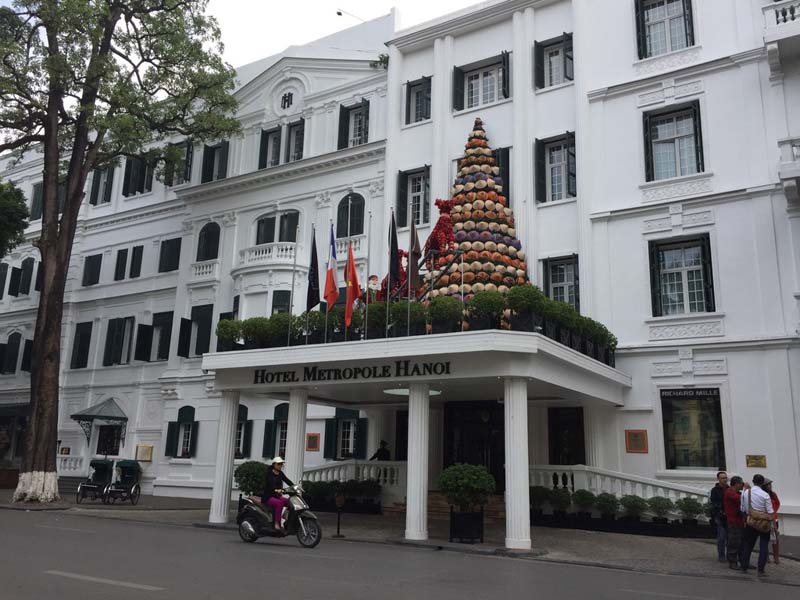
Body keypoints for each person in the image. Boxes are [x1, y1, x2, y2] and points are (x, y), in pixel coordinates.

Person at [740, 474, 775, 575]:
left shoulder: (746, 492)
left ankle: (744, 566)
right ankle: (760, 570)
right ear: (762, 482)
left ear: (753, 481)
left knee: (748, 545)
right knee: (763, 546)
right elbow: (770, 511)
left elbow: (742, 508)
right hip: (763, 523)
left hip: (751, 521)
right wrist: (772, 525)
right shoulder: (765, 495)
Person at [261, 457, 294, 532]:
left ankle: (285, 516)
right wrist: (276, 490)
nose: (280, 465)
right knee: (280, 503)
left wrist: (295, 487)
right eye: (278, 464)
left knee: (290, 502)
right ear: (274, 464)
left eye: (281, 464)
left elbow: (287, 480)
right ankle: (277, 523)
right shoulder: (269, 473)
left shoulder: (280, 473)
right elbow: (270, 485)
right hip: (268, 496)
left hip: (277, 496)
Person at [724, 476, 746, 569]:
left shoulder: (737, 493)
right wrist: (747, 490)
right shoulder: (730, 493)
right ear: (736, 484)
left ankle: (743, 561)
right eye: (741, 483)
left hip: (739, 521)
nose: (742, 485)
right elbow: (742, 499)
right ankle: (732, 562)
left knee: (741, 543)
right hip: (733, 521)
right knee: (734, 542)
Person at [709, 471, 728, 562]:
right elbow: (714, 503)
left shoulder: (729, 488)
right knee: (721, 536)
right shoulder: (714, 490)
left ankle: (730, 555)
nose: (724, 479)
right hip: (720, 516)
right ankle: (721, 555)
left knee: (730, 537)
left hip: (729, 515)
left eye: (725, 478)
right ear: (718, 479)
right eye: (722, 478)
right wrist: (720, 512)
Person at [763, 479, 780, 565]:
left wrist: (774, 512)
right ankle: (766, 556)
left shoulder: (773, 494)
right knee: (765, 539)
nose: (770, 486)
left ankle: (776, 557)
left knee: (775, 539)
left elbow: (777, 503)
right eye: (768, 484)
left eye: (770, 484)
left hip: (774, 519)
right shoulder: (762, 495)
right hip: (765, 519)